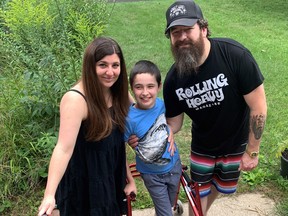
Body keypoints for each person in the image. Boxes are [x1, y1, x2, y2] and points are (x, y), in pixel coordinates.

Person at [129, 0, 267, 215]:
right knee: (198, 191)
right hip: (203, 146)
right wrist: (145, 133)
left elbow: (258, 107)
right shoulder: (175, 78)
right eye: (175, 32)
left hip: (236, 142)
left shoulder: (235, 56)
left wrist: (252, 150)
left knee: (220, 187)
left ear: (203, 29)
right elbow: (173, 123)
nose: (182, 37)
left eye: (187, 30)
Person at [38, 36, 136, 216]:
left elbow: (130, 131)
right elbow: (63, 149)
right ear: (90, 66)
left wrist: (129, 178)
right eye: (103, 65)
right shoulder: (76, 99)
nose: (110, 72)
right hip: (85, 183)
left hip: (111, 176)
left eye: (115, 65)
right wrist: (49, 195)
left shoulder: (118, 93)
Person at [124, 60, 182, 216]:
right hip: (151, 175)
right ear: (131, 89)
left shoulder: (163, 105)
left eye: (150, 86)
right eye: (138, 87)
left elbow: (173, 121)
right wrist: (130, 180)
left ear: (159, 86)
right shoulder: (129, 119)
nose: (145, 92)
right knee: (165, 213)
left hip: (174, 165)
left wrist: (170, 128)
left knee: (169, 205)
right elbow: (120, 151)